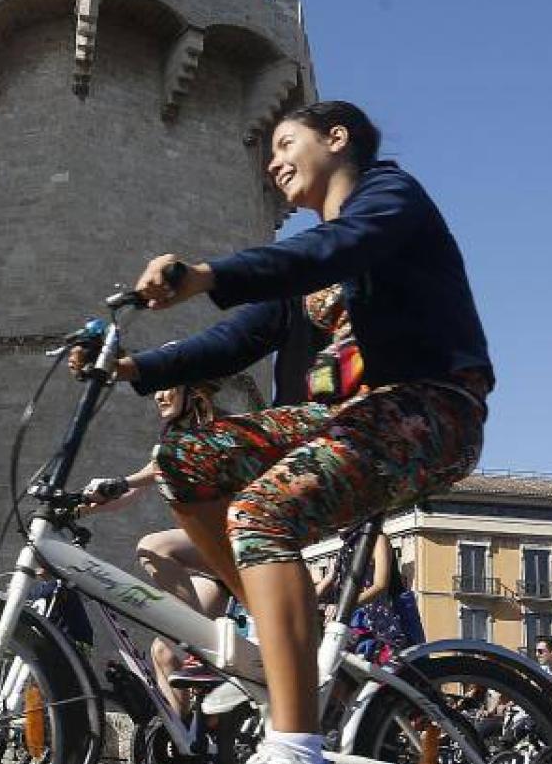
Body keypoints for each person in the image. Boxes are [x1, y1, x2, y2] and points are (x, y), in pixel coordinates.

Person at [74, 100, 493, 764]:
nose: (271, 163)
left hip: (429, 409)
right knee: (185, 457)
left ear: (337, 137)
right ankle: (276, 632)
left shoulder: (389, 199)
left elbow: (338, 247)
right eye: (268, 152)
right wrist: (131, 367)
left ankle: (296, 743)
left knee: (261, 510)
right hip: (344, 418)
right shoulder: (305, 274)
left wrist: (209, 274)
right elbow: (232, 340)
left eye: (285, 143)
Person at [78, 384, 228, 720]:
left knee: (154, 547)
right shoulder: (171, 440)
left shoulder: (219, 430)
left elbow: (147, 476)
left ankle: (201, 654)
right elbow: (134, 492)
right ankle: (181, 741)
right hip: (211, 569)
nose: (158, 395)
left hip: (238, 545)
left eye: (169, 388)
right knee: (163, 651)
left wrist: (123, 480)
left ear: (194, 391)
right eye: (155, 389)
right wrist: (79, 508)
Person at [313, 531, 423, 662]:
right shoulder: (347, 547)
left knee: (396, 668)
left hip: (387, 618)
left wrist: (343, 606)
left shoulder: (377, 540)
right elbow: (330, 577)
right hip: (356, 618)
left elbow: (380, 585)